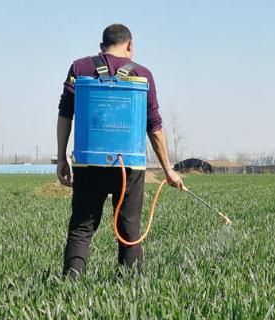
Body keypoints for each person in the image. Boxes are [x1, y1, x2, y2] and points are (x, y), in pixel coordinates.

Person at [55, 24, 184, 279]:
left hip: (88, 163)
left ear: (102, 46)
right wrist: (168, 169)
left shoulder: (79, 68)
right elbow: (154, 126)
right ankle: (131, 288)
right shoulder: (142, 74)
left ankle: (70, 283)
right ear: (130, 45)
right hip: (129, 167)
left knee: (81, 227)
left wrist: (61, 158)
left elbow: (65, 114)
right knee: (129, 230)